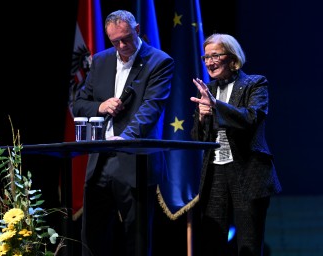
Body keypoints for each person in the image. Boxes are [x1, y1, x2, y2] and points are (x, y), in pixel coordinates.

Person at [72, 10, 174, 256]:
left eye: (126, 38)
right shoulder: (102, 60)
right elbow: (78, 104)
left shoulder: (159, 61)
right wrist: (101, 106)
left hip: (134, 161)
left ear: (137, 30)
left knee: (136, 240)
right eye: (115, 41)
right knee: (92, 238)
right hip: (99, 161)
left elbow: (150, 109)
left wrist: (125, 138)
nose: (121, 45)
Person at [190, 33, 282, 256]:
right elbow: (198, 138)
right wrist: (202, 119)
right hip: (215, 174)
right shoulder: (208, 90)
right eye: (206, 57)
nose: (210, 62)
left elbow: (251, 118)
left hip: (247, 172)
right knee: (213, 243)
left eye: (215, 56)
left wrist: (216, 106)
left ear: (232, 58)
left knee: (248, 246)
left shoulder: (255, 83)